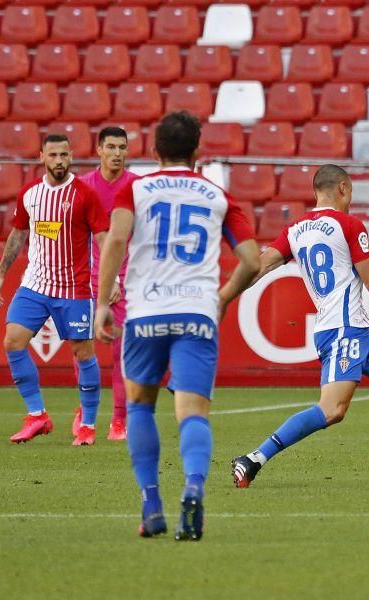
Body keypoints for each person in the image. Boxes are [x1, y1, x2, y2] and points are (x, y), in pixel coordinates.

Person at [230, 165, 369, 488]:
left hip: (354, 331)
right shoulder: (348, 224)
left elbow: (259, 267)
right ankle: (254, 458)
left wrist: (223, 297)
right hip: (343, 331)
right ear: (344, 188)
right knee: (333, 409)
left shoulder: (295, 229)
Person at [95, 111, 260, 541]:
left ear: (153, 151)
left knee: (140, 407)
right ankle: (193, 487)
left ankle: (151, 505)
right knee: (192, 413)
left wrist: (102, 301)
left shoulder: (136, 188)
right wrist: (223, 298)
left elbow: (115, 239)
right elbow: (252, 261)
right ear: (197, 152)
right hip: (196, 314)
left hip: (146, 312)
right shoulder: (217, 194)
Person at [0, 134, 109, 446]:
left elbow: (104, 240)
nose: (59, 161)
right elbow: (18, 235)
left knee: (83, 353)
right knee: (13, 342)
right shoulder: (30, 194)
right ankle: (37, 415)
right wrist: (1, 275)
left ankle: (88, 424)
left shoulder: (85, 194)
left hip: (74, 288)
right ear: (41, 155)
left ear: (71, 157)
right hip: (35, 284)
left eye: (64, 155)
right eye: (53, 155)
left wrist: (114, 281)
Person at [75, 126, 140, 441]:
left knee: (120, 352)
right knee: (83, 349)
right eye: (111, 147)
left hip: (127, 279)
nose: (117, 153)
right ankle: (85, 413)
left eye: (122, 147)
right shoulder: (83, 187)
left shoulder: (137, 188)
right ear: (99, 149)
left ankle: (118, 420)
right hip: (85, 280)